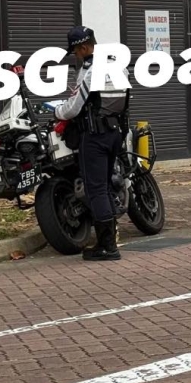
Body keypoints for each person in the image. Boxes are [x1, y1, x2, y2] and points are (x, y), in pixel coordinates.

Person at [49, 26, 130, 262]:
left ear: (84, 47)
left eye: (76, 51)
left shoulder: (91, 70)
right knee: (106, 186)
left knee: (96, 190)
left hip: (95, 137)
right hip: (114, 134)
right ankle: (108, 240)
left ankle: (108, 246)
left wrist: (56, 111)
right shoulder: (117, 64)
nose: (75, 55)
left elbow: (74, 107)